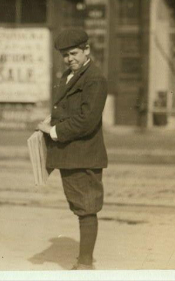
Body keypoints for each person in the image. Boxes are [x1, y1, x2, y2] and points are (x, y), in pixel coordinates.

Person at [37, 27, 108, 270]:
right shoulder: (69, 75)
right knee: (80, 206)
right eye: (65, 55)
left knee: (87, 208)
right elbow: (68, 108)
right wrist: (50, 119)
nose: (70, 59)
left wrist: (54, 131)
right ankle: (84, 262)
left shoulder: (94, 79)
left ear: (87, 50)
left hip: (84, 154)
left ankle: (86, 264)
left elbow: (87, 120)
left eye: (74, 53)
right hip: (73, 154)